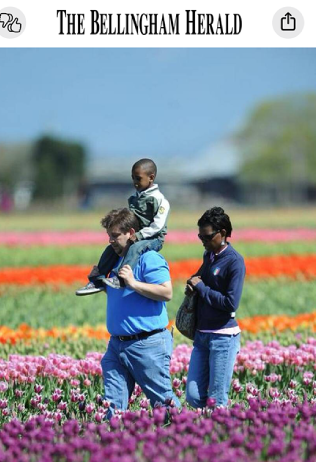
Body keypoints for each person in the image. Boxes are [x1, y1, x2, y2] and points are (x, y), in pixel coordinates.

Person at [99, 208, 181, 416]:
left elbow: (166, 292)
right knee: (112, 405)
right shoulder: (116, 260)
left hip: (147, 344)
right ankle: (113, 443)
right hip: (117, 344)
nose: (111, 241)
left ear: (132, 233)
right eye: (109, 236)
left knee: (164, 403)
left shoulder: (149, 258)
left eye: (115, 235)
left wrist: (134, 284)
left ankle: (184, 435)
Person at [76, 157, 170, 295]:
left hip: (153, 238)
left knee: (136, 248)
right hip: (136, 235)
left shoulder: (159, 200)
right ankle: (97, 280)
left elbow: (158, 226)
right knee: (110, 249)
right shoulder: (135, 197)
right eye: (133, 178)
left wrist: (139, 235)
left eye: (138, 178)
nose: (135, 183)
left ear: (151, 177)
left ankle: (119, 278)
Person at [185, 207, 245, 410]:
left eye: (207, 236)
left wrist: (201, 287)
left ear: (223, 233)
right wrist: (192, 284)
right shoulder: (209, 256)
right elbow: (201, 278)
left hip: (223, 337)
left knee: (216, 399)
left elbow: (230, 303)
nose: (203, 240)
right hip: (202, 335)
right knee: (194, 396)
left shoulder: (234, 262)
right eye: (200, 236)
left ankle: (217, 433)